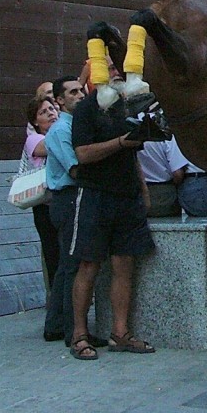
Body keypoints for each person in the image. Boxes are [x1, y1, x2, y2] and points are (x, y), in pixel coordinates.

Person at [69, 60, 157, 360]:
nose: (116, 72)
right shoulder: (86, 109)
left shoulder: (127, 106)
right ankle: (79, 334)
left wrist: (143, 189)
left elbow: (133, 155)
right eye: (108, 68)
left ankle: (120, 332)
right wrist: (120, 142)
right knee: (89, 264)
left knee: (124, 265)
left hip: (127, 194)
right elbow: (82, 154)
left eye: (118, 67)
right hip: (96, 194)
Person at [42, 76, 105, 348]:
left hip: (74, 196)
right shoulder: (60, 131)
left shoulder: (76, 125)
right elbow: (76, 167)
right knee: (73, 265)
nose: (81, 95)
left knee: (68, 265)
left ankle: (56, 325)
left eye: (82, 90)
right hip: (68, 198)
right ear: (59, 100)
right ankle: (73, 330)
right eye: (73, 92)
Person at [21, 96, 60, 306]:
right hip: (44, 205)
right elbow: (52, 146)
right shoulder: (34, 139)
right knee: (53, 255)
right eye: (44, 112)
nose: (51, 113)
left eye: (52, 109)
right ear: (36, 122)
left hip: (61, 202)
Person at [137, 138, 185, 218]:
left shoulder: (130, 139)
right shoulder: (166, 139)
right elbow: (177, 174)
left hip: (139, 197)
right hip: (166, 195)